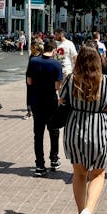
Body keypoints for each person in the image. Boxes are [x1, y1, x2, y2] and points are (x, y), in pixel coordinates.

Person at [60, 45, 107, 214]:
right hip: (98, 129)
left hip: (74, 130)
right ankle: (88, 212)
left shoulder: (71, 80)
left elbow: (62, 102)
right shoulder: (106, 82)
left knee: (79, 173)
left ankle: (81, 212)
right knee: (98, 173)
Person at [26, 39, 63, 177]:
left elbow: (29, 81)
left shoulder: (34, 61)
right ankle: (54, 159)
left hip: (36, 100)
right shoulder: (56, 64)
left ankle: (40, 165)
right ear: (53, 50)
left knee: (38, 133)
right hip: (51, 101)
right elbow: (57, 87)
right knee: (54, 130)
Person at [25, 38, 44, 119]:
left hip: (38, 79)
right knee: (29, 94)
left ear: (35, 47)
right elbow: (29, 68)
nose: (30, 50)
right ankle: (29, 111)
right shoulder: (31, 56)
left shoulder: (41, 56)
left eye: (31, 48)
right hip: (30, 78)